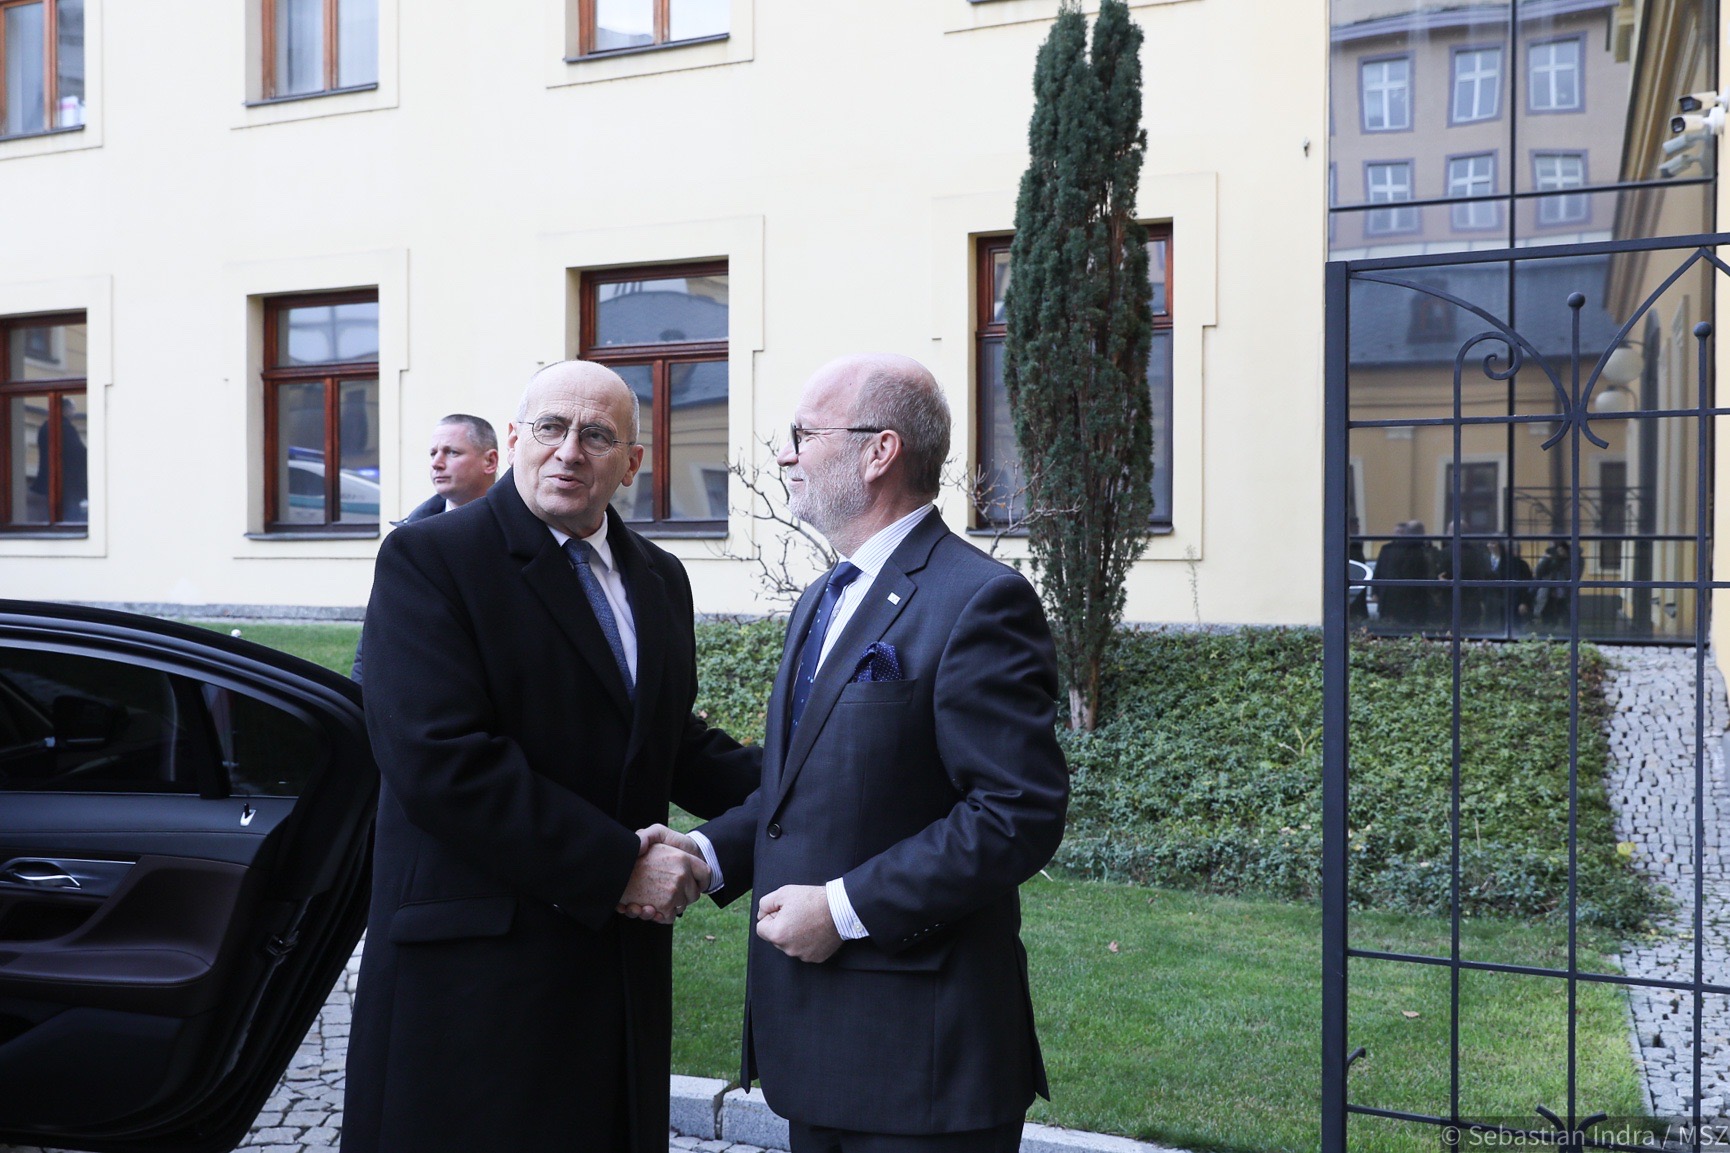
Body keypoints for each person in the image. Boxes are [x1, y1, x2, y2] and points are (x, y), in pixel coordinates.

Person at [639, 353, 1070, 1153]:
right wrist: (707, 853)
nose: (785, 454)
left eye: (804, 434)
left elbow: (1016, 815)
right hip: (817, 1054)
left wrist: (844, 908)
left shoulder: (978, 599)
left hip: (925, 1068)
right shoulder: (823, 595)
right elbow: (807, 783)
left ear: (880, 451)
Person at [341, 360, 759, 1153]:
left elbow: (664, 741)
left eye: (596, 435)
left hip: (615, 972)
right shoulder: (430, 558)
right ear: (513, 440)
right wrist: (618, 866)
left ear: (631, 462)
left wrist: (814, 777)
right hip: (477, 980)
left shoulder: (661, 578)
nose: (569, 451)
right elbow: (440, 761)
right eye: (551, 428)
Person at [351, 414, 498, 682]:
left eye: (452, 452)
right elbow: (377, 634)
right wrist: (358, 695)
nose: (436, 463)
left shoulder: (520, 530)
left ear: (490, 461)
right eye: (433, 453)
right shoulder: (410, 538)